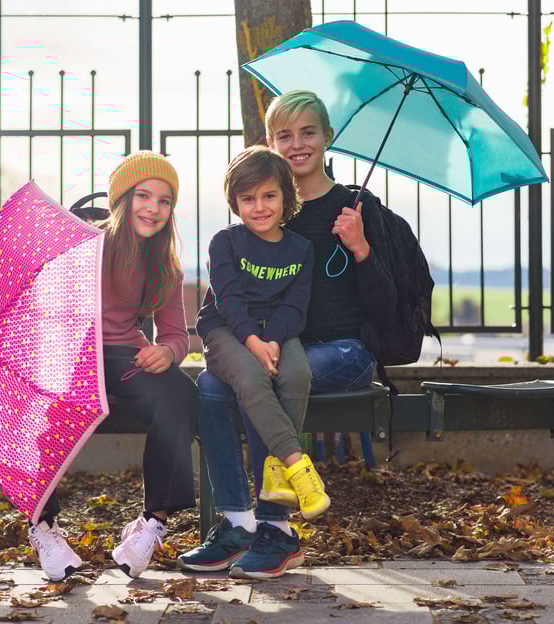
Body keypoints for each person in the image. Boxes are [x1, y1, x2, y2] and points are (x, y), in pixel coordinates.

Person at [178, 90, 397, 579]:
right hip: (274, 341)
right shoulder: (264, 205)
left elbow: (388, 303)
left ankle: (277, 528)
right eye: (284, 134)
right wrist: (248, 335)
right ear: (270, 143)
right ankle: (237, 523)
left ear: (327, 137)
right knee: (211, 384)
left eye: (308, 132)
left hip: (341, 349)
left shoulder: (356, 207)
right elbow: (228, 294)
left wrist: (361, 248)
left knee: (268, 377)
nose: (297, 144)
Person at [28, 151, 199, 582]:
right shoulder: (85, 246)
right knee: (43, 403)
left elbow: (177, 335)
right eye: (143, 196)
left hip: (127, 362)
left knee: (181, 392)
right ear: (122, 199)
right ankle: (43, 526)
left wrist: (168, 352)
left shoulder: (165, 265)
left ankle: (152, 523)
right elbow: (47, 313)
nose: (154, 208)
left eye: (164, 201)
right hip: (72, 359)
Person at [195, 145, 329, 525]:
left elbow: (295, 306)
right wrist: (253, 341)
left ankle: (274, 469)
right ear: (235, 202)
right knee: (252, 375)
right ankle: (298, 467)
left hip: (277, 332)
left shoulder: (301, 249)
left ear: (285, 196)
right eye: (248, 198)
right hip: (225, 331)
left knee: (297, 373)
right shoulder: (225, 242)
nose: (259, 207)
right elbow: (229, 299)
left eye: (269, 196)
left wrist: (273, 340)